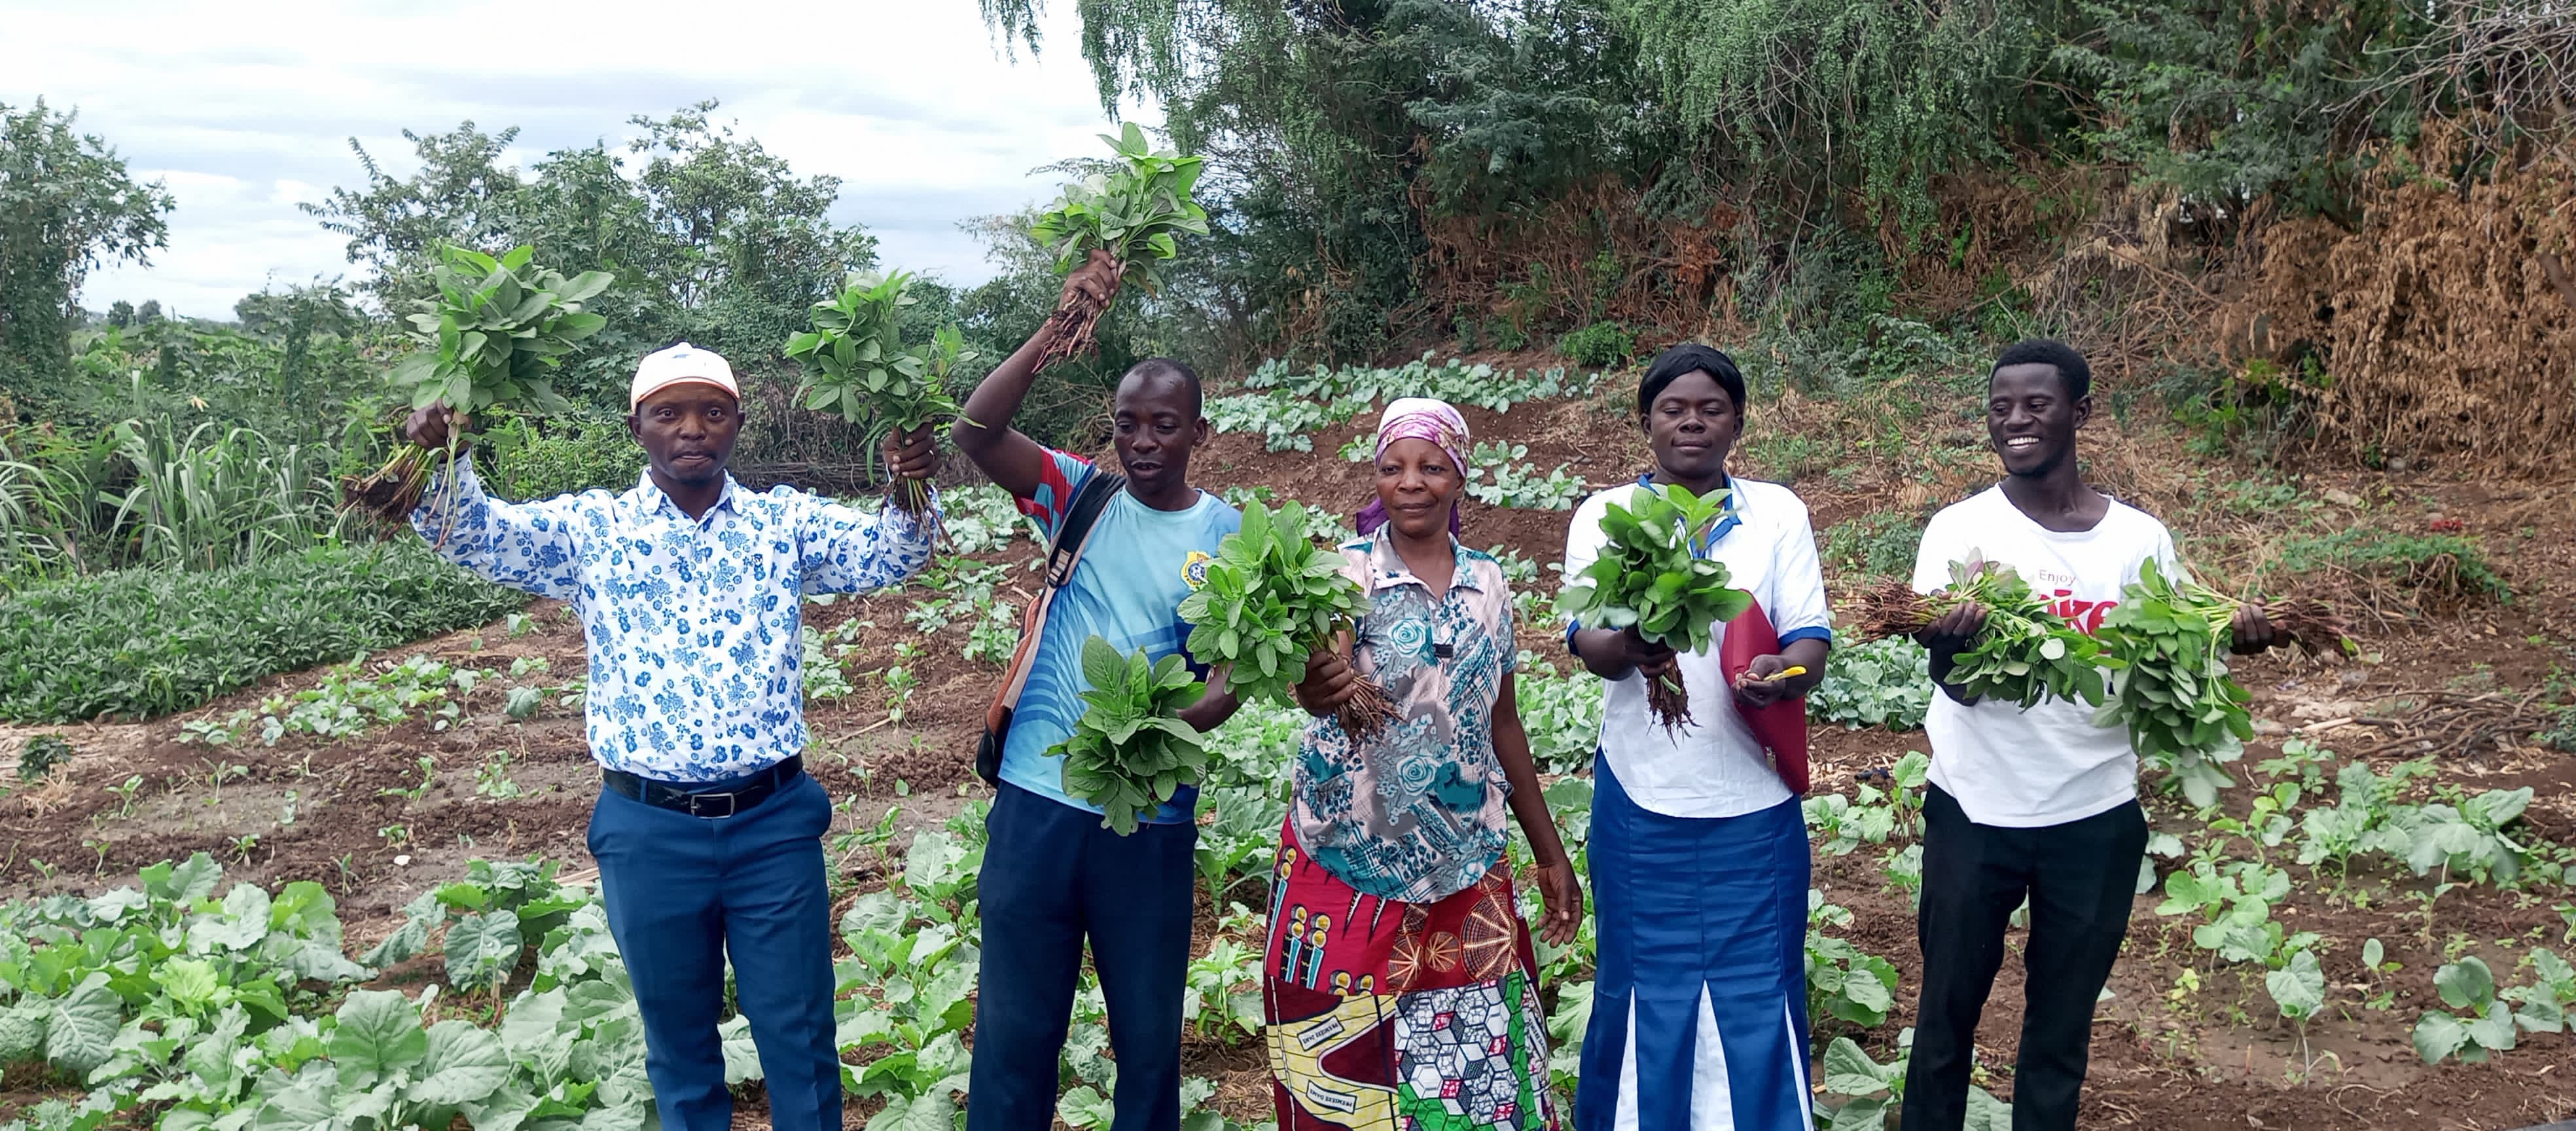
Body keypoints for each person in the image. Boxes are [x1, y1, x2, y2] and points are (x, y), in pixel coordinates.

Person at [402, 342, 940, 1131]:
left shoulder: (781, 523)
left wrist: (907, 483)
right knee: (679, 1043)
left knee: (799, 1037)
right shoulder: (594, 528)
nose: (693, 427)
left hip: (772, 825)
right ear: (638, 428)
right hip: (648, 830)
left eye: (712, 412)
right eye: (670, 413)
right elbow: (477, 536)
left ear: (737, 426)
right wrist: (440, 455)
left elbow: (899, 551)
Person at [1901, 339, 2277, 1130]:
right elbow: (1954, 686)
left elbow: (2170, 649)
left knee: (2061, 1030)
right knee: (1944, 1025)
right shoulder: (1960, 531)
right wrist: (1955, 641)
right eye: (2001, 408)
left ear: (2081, 411)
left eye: (2036, 404)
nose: (2016, 421)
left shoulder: (2139, 539)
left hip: (2096, 816)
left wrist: (2225, 636)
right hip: (1976, 810)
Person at [953, 251, 1245, 1131]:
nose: (1145, 442)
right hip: (1038, 805)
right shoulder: (1079, 494)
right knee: (1014, 1034)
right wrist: (1058, 326)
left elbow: (1236, 677)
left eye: (1165, 425)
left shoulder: (1232, 533)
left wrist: (1163, 725)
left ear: (1201, 429)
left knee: (1148, 1041)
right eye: (1128, 424)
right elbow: (973, 433)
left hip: (1149, 816)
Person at [1277, 398, 1583, 1131]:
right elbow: (1313, 690)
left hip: (1465, 866)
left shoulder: (1489, 584)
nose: (1411, 483)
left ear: (1460, 478)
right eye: (1393, 468)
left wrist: (1549, 852)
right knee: (1352, 1078)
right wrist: (1320, 687)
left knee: (1482, 1081)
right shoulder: (1341, 578)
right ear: (1376, 480)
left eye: (1432, 467)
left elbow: (1502, 721)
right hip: (1347, 865)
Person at [1561, 344, 1833, 1130]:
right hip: (1643, 801)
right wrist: (1637, 645)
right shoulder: (1605, 516)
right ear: (1645, 422)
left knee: (1759, 985)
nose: (1691, 421)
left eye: (1710, 409)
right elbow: (1589, 645)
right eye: (1674, 408)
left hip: (1755, 800)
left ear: (1737, 423)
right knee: (1643, 984)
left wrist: (1782, 674)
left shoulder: (1778, 512)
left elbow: (1809, 639)